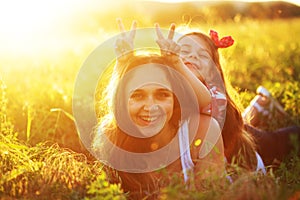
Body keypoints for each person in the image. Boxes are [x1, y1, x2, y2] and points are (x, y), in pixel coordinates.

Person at [156, 23, 300, 168]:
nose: (193, 56)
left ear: (214, 70)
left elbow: (201, 101)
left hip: (245, 145)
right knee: (241, 122)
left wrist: (177, 63)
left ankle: (263, 108)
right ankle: (260, 105)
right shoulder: (166, 87)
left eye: (203, 55)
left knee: (280, 141)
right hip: (233, 128)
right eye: (184, 51)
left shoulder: (216, 95)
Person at [92, 54, 225, 199]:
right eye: (137, 95)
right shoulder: (110, 136)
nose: (151, 107)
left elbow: (212, 195)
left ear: (175, 97)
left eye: (162, 95)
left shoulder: (203, 131)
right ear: (122, 101)